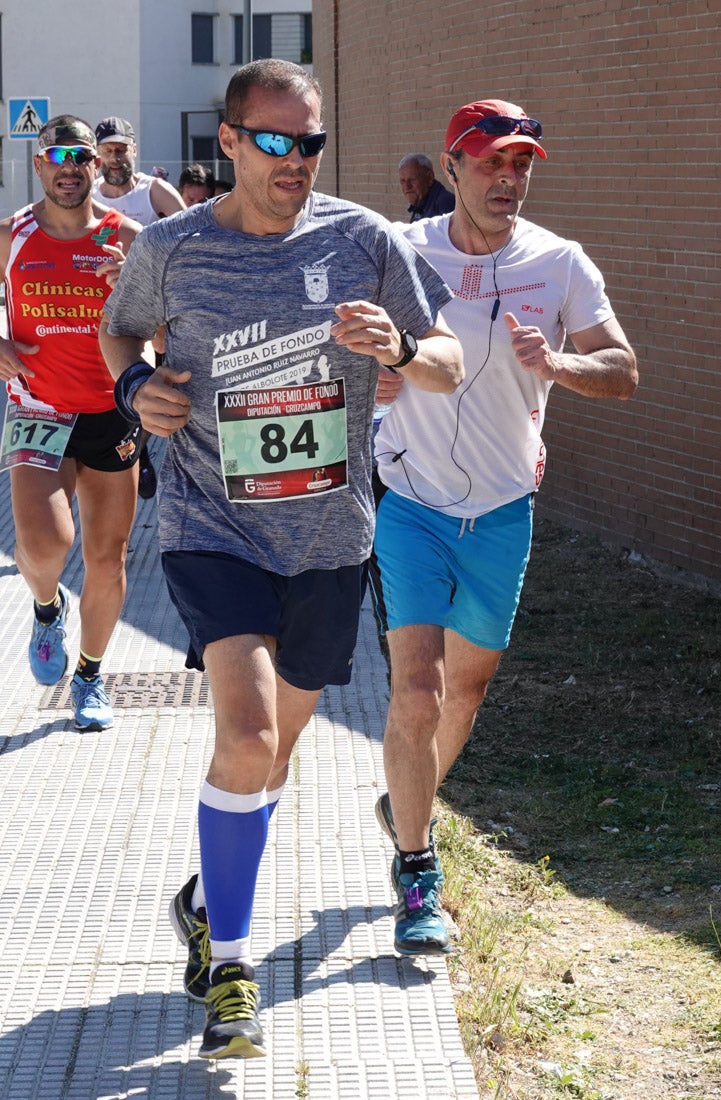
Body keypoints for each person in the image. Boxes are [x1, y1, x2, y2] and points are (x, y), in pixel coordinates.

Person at [99, 58, 463, 1061]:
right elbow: (120, 328)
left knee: (270, 757)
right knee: (250, 731)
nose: (296, 159)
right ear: (227, 142)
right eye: (273, 141)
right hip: (212, 527)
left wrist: (396, 350)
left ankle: (207, 893)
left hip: (329, 540)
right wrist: (136, 388)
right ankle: (232, 967)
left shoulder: (363, 238)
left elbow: (447, 360)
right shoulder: (169, 246)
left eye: (309, 143)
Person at [373, 99, 638, 957]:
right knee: (416, 690)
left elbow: (622, 369)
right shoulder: (405, 252)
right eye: (489, 162)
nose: (507, 178)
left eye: (520, 163)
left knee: (464, 694)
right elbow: (341, 344)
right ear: (451, 169)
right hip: (409, 498)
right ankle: (417, 870)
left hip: (501, 509)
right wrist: (366, 376)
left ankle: (405, 794)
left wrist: (558, 362)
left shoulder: (558, 263)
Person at [0, 115, 144, 731]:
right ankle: (45, 605)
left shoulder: (128, 237)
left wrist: (129, 297)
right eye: (56, 156)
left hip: (111, 409)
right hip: (39, 405)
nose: (69, 167)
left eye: (80, 156)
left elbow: (163, 329)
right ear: (38, 165)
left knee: (107, 559)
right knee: (43, 543)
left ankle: (88, 675)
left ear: (96, 166)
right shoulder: (12, 236)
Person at [92, 116, 187, 500]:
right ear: (98, 156)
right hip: (109, 310)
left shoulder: (155, 192)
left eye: (121, 150)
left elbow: (189, 239)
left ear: (134, 150)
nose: (115, 159)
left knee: (147, 380)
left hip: (156, 312)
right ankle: (137, 450)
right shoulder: (91, 197)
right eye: (107, 151)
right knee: (122, 384)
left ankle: (139, 447)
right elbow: (88, 249)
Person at [398, 152, 455, 221]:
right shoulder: (421, 204)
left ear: (430, 177)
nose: (407, 187)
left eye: (413, 179)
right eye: (403, 181)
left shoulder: (445, 204)